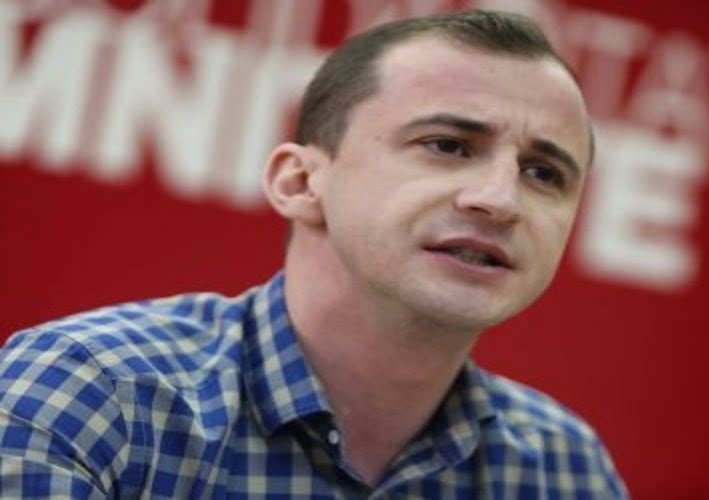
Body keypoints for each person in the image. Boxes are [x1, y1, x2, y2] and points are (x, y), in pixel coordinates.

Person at [0, 9, 627, 498]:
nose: (501, 199)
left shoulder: (566, 468)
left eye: (544, 174)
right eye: (447, 145)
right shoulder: (93, 392)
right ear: (299, 183)